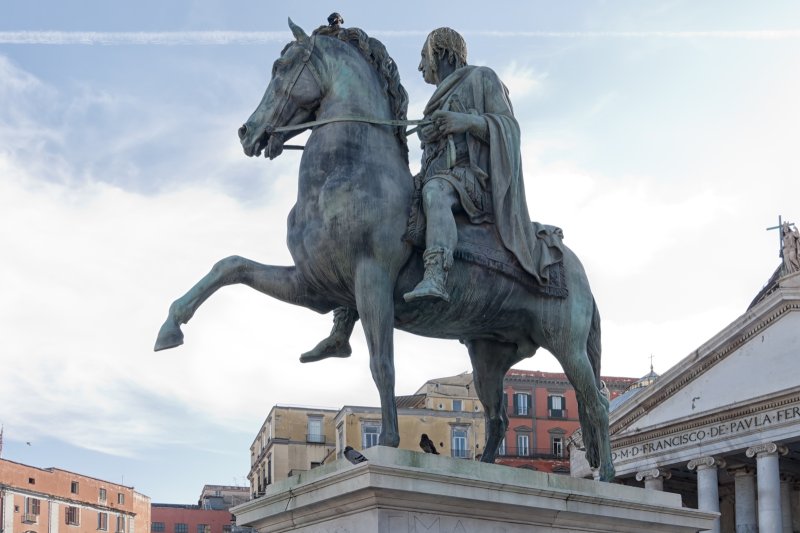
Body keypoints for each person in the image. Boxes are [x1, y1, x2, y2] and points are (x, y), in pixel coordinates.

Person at [302, 27, 550, 360]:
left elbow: (509, 129)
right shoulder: (436, 100)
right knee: (378, 224)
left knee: (435, 193)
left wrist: (463, 122)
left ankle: (436, 275)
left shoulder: (482, 78)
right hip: (437, 175)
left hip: (470, 179)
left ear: (444, 53)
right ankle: (341, 328)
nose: (421, 68)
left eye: (424, 58)